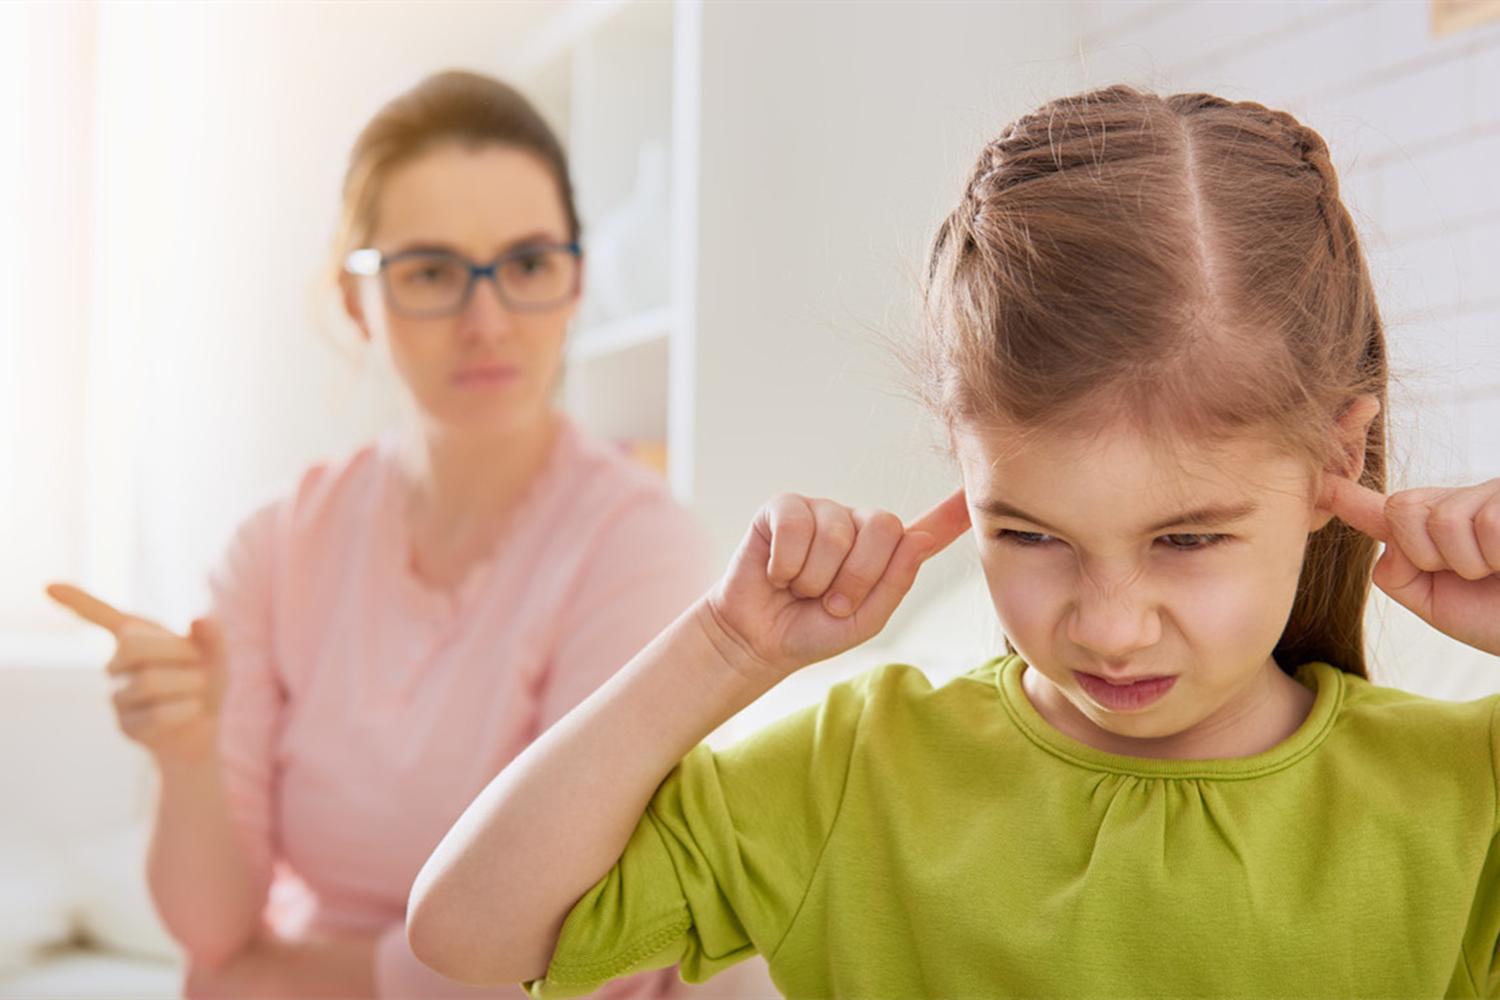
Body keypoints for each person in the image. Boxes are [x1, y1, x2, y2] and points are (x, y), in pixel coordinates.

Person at [403, 85, 1500, 998]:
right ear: (961, 468)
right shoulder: (852, 774)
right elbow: (469, 931)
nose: (1109, 626)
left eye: (1187, 540)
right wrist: (727, 650)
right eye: (1028, 532)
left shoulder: (1460, 793)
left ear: (1336, 461)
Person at [48, 70, 725, 999]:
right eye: (432, 273)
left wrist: (297, 979)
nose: (486, 322)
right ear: (354, 297)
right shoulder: (273, 548)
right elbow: (212, 931)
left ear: (574, 281)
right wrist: (186, 756)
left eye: (527, 264)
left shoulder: (641, 549)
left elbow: (591, 940)